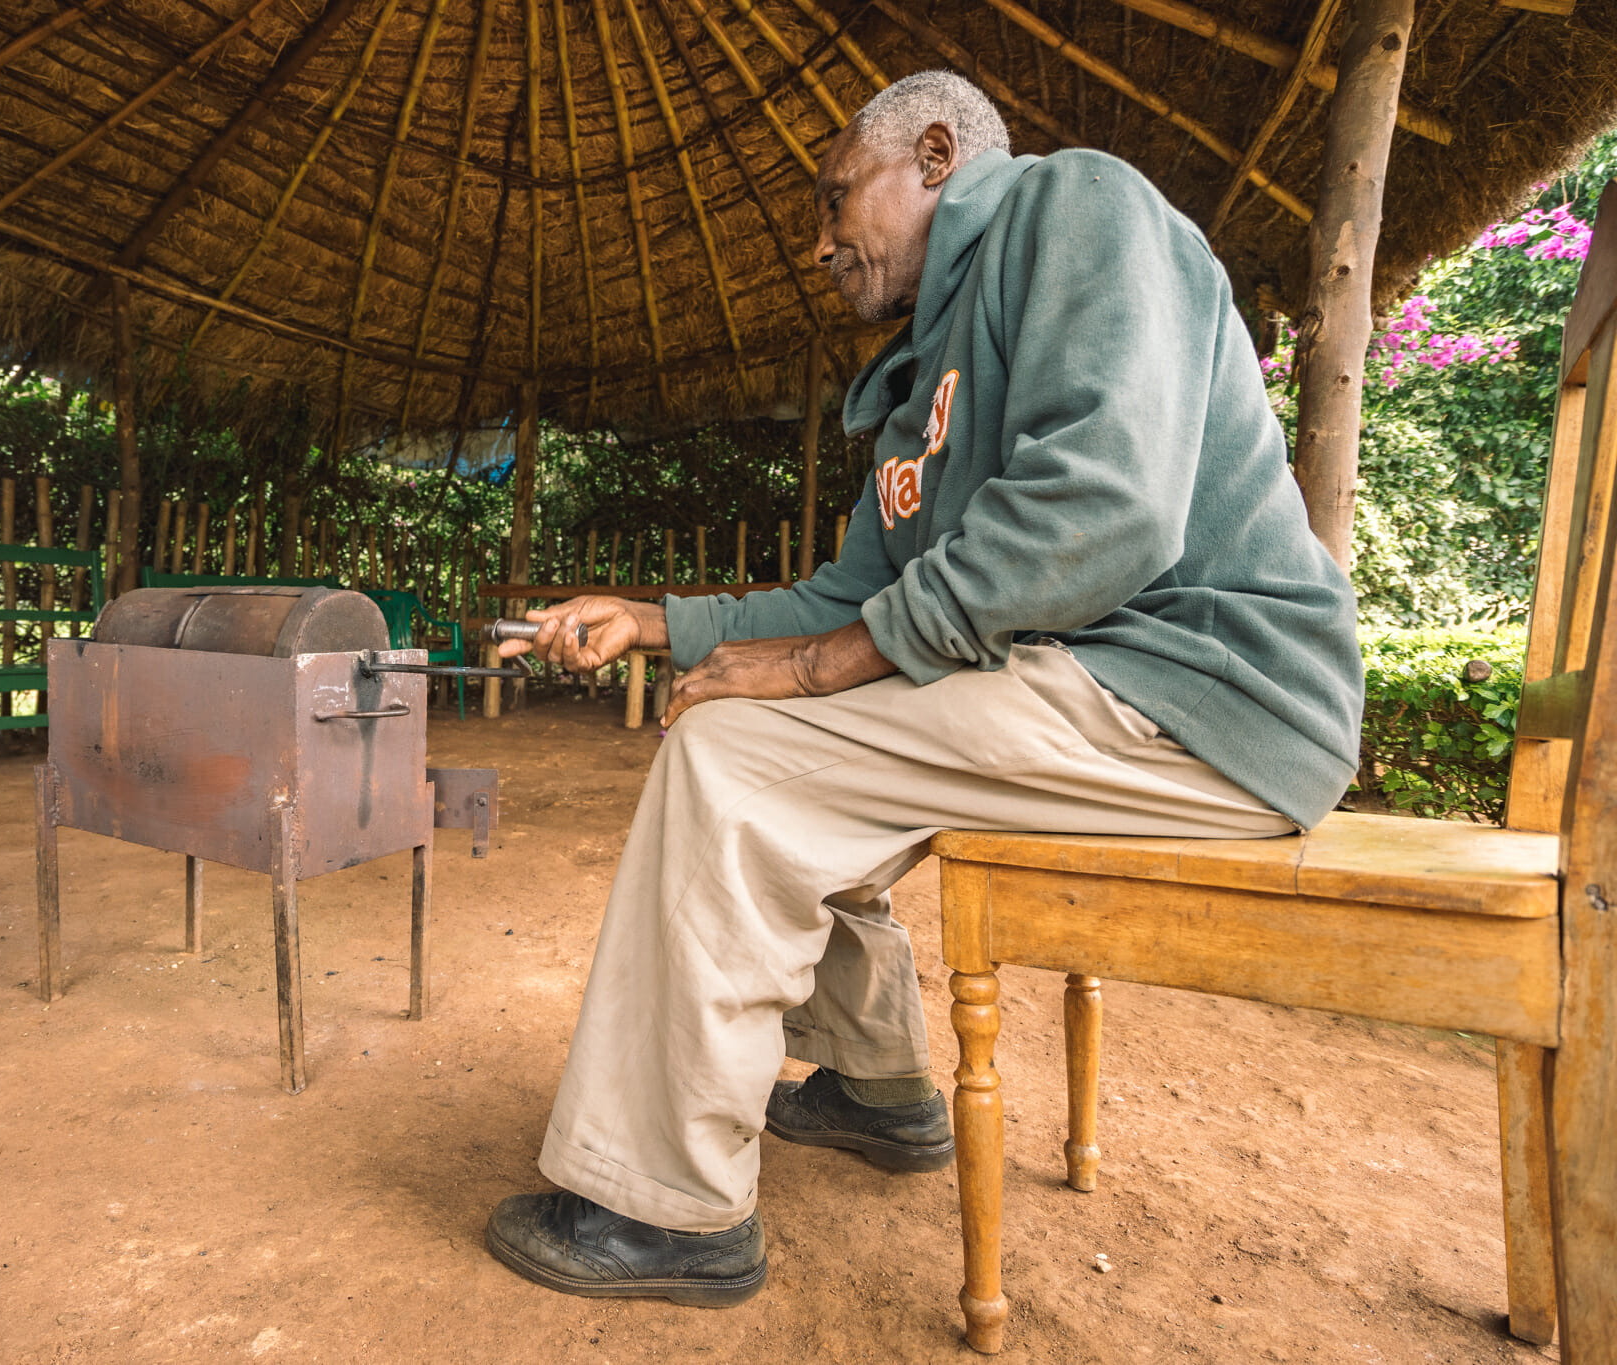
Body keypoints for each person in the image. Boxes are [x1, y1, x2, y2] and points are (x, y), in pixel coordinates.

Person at [482, 70, 1362, 1307]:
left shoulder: (1077, 210)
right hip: (1090, 689)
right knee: (771, 723)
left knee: (733, 762)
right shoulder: (917, 388)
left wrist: (810, 670)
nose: (818, 238)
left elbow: (1104, 509)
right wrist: (647, 623)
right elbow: (845, 603)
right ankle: (879, 1084)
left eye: (836, 196)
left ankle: (665, 1206)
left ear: (935, 154)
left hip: (1201, 696)